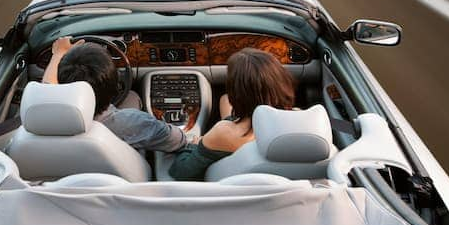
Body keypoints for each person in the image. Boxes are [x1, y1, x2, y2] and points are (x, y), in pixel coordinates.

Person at [169, 48, 295, 180]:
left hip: (233, 191)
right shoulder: (301, 121)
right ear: (282, 82)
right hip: (283, 192)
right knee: (224, 99)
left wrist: (193, 145)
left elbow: (181, 172)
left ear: (237, 93)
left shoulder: (223, 132)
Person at [42, 37, 186, 153]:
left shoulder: (46, 116)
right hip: (127, 178)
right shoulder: (132, 122)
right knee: (132, 97)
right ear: (114, 85)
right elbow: (177, 139)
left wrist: (59, 54)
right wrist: (192, 139)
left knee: (131, 97)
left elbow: (47, 89)